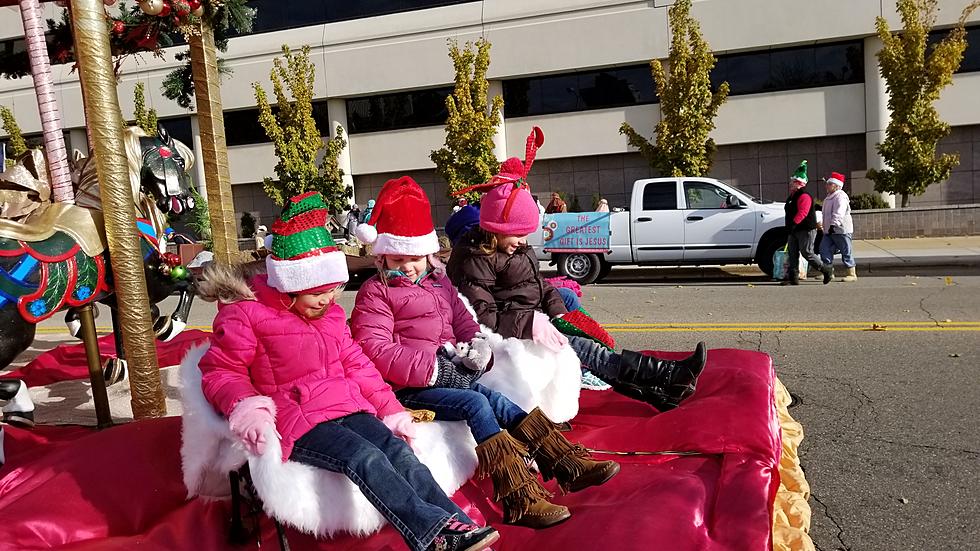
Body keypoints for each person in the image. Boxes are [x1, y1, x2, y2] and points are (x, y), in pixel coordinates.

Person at [197, 192, 499, 551]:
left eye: (332, 291)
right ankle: (432, 536)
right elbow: (221, 371)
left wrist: (390, 409)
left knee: (399, 452)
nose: (327, 300)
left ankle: (458, 527)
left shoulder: (331, 317)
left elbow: (358, 365)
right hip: (298, 419)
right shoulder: (246, 314)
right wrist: (247, 408)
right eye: (316, 293)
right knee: (365, 458)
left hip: (347, 407)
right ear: (289, 284)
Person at [351, 176, 619, 529]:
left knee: (500, 400)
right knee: (476, 403)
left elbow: (464, 319)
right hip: (407, 386)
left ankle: (564, 462)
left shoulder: (437, 281)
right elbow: (376, 349)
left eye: (415, 257)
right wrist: (434, 369)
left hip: (448, 369)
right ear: (382, 255)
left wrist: (477, 345)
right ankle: (517, 497)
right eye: (398, 258)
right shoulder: (375, 294)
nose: (408, 266)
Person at [447, 127, 706, 411]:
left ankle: (659, 391)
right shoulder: (474, 257)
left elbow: (536, 283)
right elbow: (481, 315)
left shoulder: (513, 247)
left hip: (531, 320)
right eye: (517, 234)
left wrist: (554, 305)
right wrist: (532, 323)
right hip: (505, 336)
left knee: (588, 342)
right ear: (496, 229)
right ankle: (667, 376)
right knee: (583, 349)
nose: (523, 241)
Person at [782, 160, 833, 286]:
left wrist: (794, 223)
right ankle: (793, 278)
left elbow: (803, 212)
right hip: (793, 229)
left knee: (807, 252)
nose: (790, 184)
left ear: (799, 183)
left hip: (805, 229)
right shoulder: (792, 197)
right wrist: (790, 227)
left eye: (793, 182)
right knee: (792, 253)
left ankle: (826, 269)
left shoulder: (804, 196)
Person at [819, 172, 857, 282]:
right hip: (829, 230)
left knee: (846, 250)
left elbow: (838, 212)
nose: (827, 185)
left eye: (829, 184)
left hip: (841, 230)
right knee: (824, 249)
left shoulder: (841, 197)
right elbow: (826, 214)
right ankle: (828, 272)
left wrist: (833, 225)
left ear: (836, 186)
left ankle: (851, 273)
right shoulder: (829, 197)